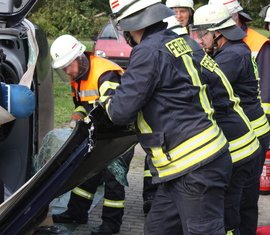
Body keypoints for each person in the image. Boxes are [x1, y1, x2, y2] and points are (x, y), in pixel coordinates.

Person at [99, 0, 233, 234]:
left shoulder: (148, 50)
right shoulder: (179, 40)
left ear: (130, 23)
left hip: (194, 166)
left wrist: (108, 94)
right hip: (184, 167)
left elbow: (120, 112)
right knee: (158, 229)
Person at [192, 3, 270, 234]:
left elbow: (206, 88)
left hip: (248, 137)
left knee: (237, 201)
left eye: (202, 34)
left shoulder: (231, 56)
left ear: (217, 33)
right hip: (254, 133)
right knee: (246, 200)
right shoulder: (234, 50)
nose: (200, 40)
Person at [50, 34, 134, 235]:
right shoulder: (77, 76)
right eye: (63, 69)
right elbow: (82, 104)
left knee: (114, 176)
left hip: (120, 133)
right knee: (87, 170)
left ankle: (111, 225)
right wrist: (78, 114)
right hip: (101, 132)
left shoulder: (104, 73)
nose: (67, 72)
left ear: (79, 58)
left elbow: (116, 109)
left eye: (68, 66)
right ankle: (76, 213)